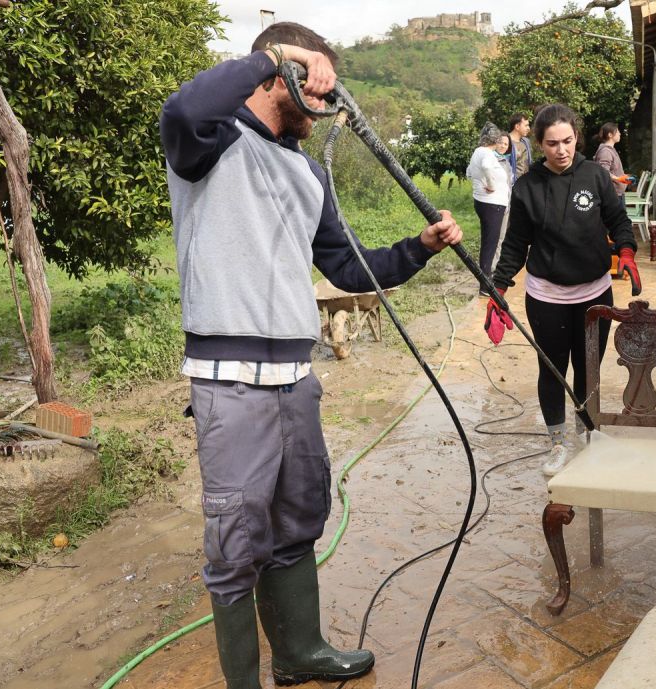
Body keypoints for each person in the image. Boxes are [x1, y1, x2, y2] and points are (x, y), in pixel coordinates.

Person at [159, 22, 463, 689]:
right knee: (236, 547)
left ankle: (300, 652)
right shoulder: (208, 144)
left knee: (297, 521)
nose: (328, 102)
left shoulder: (304, 172)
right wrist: (278, 56)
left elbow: (351, 267)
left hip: (296, 379)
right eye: (318, 83)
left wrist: (420, 247)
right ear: (282, 75)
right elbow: (181, 109)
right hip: (229, 382)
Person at [485, 103, 640, 476]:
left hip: (595, 295)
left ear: (576, 138)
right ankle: (557, 443)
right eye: (552, 143)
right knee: (553, 370)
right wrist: (499, 287)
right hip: (547, 297)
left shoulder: (595, 177)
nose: (562, 150)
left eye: (568, 141)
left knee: (589, 369)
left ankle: (589, 435)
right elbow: (515, 243)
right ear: (540, 144)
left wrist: (627, 251)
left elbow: (618, 220)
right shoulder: (527, 188)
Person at [467, 123, 512, 286]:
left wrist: (480, 184)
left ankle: (485, 279)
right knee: (490, 244)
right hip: (492, 204)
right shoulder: (486, 153)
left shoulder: (478, 152)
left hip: (486, 203)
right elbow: (485, 167)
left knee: (489, 242)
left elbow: (469, 172)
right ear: (494, 139)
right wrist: (491, 186)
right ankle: (486, 284)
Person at [593, 122, 633, 205]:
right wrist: (618, 179)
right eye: (617, 131)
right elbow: (604, 172)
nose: (620, 133)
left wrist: (623, 176)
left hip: (617, 194)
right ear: (610, 135)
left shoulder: (611, 149)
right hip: (612, 195)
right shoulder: (605, 152)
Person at [506, 113, 533, 183]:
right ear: (517, 126)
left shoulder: (526, 142)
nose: (528, 128)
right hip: (511, 186)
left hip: (525, 184)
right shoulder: (505, 142)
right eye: (526, 125)